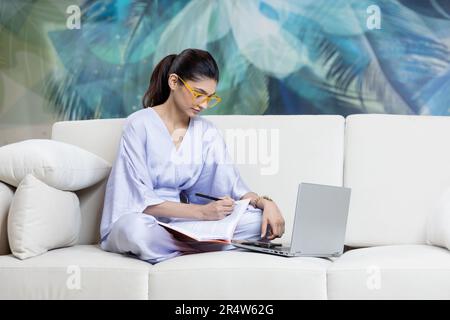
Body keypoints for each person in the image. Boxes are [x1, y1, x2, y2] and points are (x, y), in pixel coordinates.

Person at [100, 48, 285, 264]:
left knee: (257, 222)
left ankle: (184, 247)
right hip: (146, 222)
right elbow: (138, 200)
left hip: (184, 224)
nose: (204, 104)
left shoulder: (208, 132)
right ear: (173, 82)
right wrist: (202, 213)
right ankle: (207, 244)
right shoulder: (138, 125)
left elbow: (234, 188)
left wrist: (266, 204)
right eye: (198, 93)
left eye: (210, 98)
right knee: (135, 231)